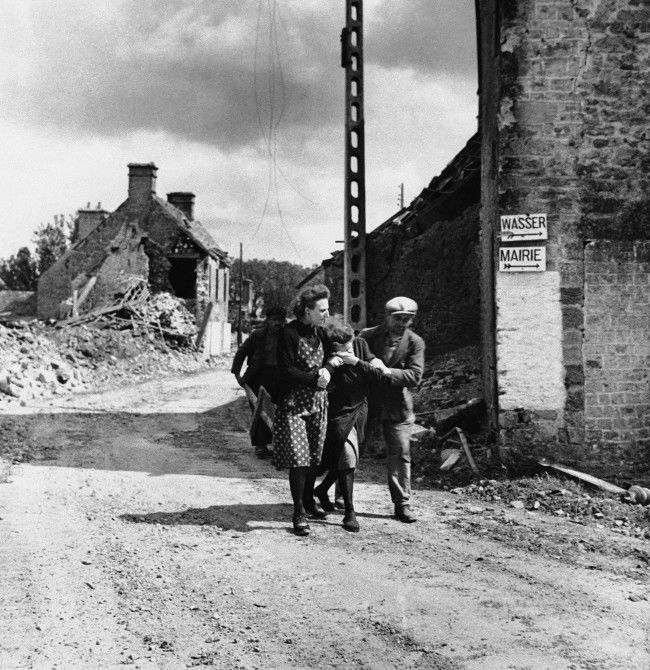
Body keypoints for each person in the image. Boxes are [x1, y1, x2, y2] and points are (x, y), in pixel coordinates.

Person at [313, 320, 390, 532]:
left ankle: (322, 489)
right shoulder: (325, 353)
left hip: (360, 410)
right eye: (341, 346)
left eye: (349, 343)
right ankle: (349, 512)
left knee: (351, 457)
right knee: (345, 456)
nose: (347, 348)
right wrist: (330, 366)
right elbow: (321, 384)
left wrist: (356, 361)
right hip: (337, 411)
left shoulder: (360, 345)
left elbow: (378, 377)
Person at [272, 284, 332, 536]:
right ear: (307, 310)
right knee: (299, 459)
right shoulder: (288, 334)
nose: (326, 314)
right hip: (294, 404)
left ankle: (309, 499)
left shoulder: (321, 332)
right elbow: (285, 370)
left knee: (314, 459)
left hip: (318, 403)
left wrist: (329, 367)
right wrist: (313, 379)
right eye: (322, 310)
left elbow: (331, 355)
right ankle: (298, 512)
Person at [360, 296, 425, 523]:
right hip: (368, 402)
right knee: (352, 447)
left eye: (407, 319)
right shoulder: (367, 336)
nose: (402, 323)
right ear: (387, 316)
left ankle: (402, 503)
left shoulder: (415, 342)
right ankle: (340, 494)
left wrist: (387, 372)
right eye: (398, 318)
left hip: (397, 405)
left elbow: (415, 376)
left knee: (400, 452)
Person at [231, 306, 286, 458]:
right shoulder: (258, 335)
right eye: (273, 320)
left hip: (279, 378)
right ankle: (260, 446)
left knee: (277, 411)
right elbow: (242, 352)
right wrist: (236, 373)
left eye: (279, 320)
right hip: (258, 377)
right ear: (267, 321)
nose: (277, 323)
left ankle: (278, 444)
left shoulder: (287, 336)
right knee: (259, 410)